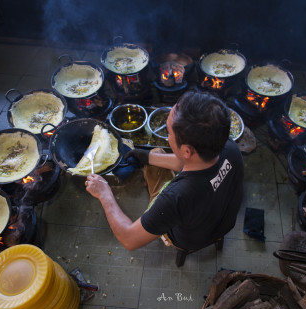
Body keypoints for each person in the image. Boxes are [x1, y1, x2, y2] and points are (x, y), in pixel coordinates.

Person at [85, 90, 244, 252]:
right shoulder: (229, 147)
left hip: (189, 239)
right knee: (156, 153)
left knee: (157, 158)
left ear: (187, 151)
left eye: (169, 132)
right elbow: (193, 165)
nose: (168, 137)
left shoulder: (175, 198)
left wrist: (104, 194)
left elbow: (129, 239)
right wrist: (147, 157)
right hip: (223, 220)